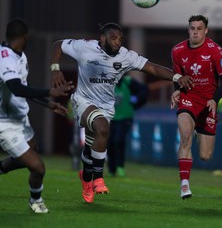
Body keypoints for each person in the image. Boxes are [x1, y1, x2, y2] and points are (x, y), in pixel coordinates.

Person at [50, 22, 193, 204]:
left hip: (106, 106)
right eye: (113, 38)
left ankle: (86, 178)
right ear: (102, 38)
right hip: (83, 101)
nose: (117, 42)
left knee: (91, 146)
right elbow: (57, 45)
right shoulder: (85, 47)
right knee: (102, 128)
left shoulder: (126, 56)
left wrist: (178, 77)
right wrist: (55, 69)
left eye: (120, 39)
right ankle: (98, 179)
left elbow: (153, 68)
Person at [0, 19, 74, 213]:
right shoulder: (5, 58)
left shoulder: (20, 56)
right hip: (4, 124)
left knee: (33, 148)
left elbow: (24, 87)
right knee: (38, 167)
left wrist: (48, 104)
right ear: (25, 37)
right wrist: (51, 92)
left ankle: (1, 167)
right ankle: (36, 200)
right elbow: (15, 88)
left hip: (20, 119)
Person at [170, 14, 222, 199]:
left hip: (208, 103)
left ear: (206, 30)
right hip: (189, 98)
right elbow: (177, 76)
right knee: (185, 137)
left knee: (205, 156)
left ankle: (197, 128)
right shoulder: (178, 50)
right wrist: (177, 90)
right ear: (188, 30)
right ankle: (184, 185)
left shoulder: (216, 51)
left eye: (199, 29)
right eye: (192, 28)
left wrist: (215, 99)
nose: (195, 32)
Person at [107, 74, 148, 177]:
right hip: (111, 118)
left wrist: (137, 100)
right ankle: (112, 169)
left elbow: (144, 90)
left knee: (118, 140)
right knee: (110, 142)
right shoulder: (108, 83)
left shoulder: (128, 82)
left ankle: (120, 166)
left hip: (125, 117)